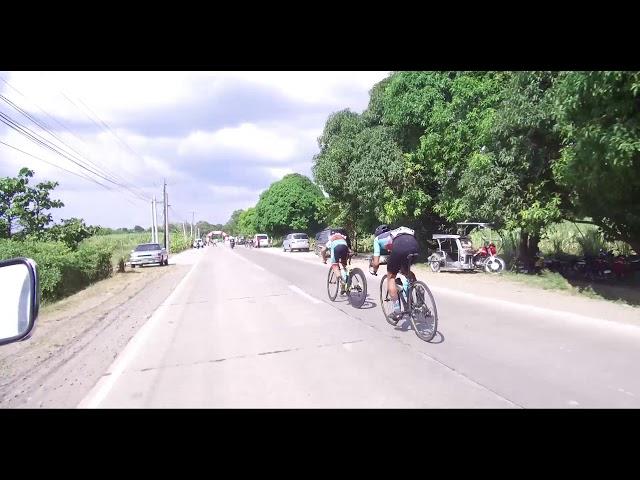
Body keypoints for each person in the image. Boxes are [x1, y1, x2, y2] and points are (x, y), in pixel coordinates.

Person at [369, 224, 420, 321]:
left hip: (399, 248)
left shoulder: (377, 239)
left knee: (391, 277)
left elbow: (376, 262)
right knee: (406, 271)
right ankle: (417, 289)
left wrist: (374, 270)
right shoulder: (396, 232)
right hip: (414, 245)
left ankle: (397, 311)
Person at [320, 228, 352, 294]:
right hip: (344, 248)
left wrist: (323, 259)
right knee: (343, 265)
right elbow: (349, 250)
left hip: (336, 249)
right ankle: (345, 280)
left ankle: (342, 281)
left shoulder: (331, 239)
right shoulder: (343, 239)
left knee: (335, 266)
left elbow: (323, 250)